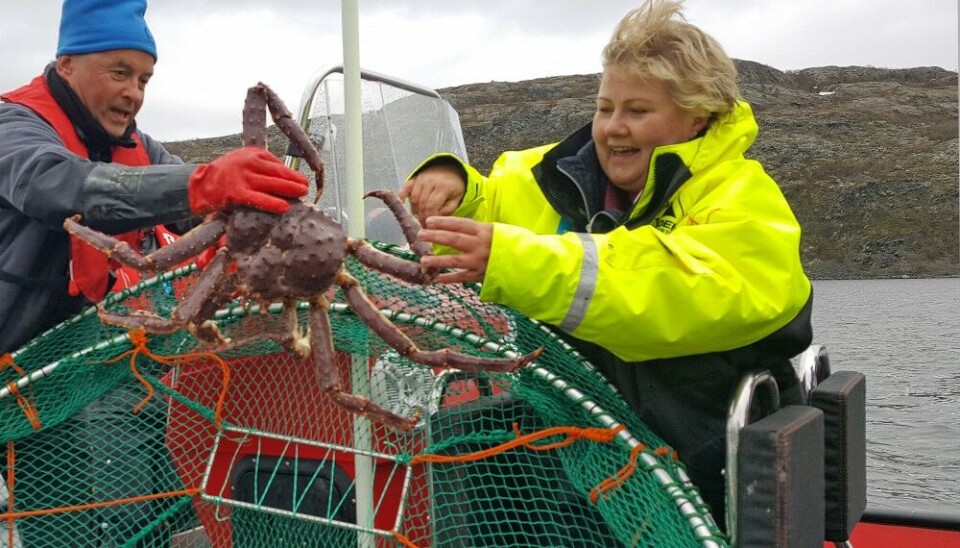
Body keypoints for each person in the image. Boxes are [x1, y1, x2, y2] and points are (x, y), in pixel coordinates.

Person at [400, 0, 813, 525]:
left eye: (637, 111)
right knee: (468, 451)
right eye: (605, 108)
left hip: (693, 456)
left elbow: (663, 288)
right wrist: (455, 184)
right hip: (578, 436)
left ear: (698, 116)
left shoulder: (744, 200)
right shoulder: (562, 171)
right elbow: (498, 196)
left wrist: (509, 259)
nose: (614, 128)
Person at [0, 0, 309, 356]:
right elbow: (55, 185)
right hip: (17, 363)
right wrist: (203, 183)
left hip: (94, 354)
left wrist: (250, 224)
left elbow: (200, 211)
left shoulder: (139, 147)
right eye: (120, 73)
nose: (134, 92)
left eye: (143, 80)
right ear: (67, 64)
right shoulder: (15, 127)